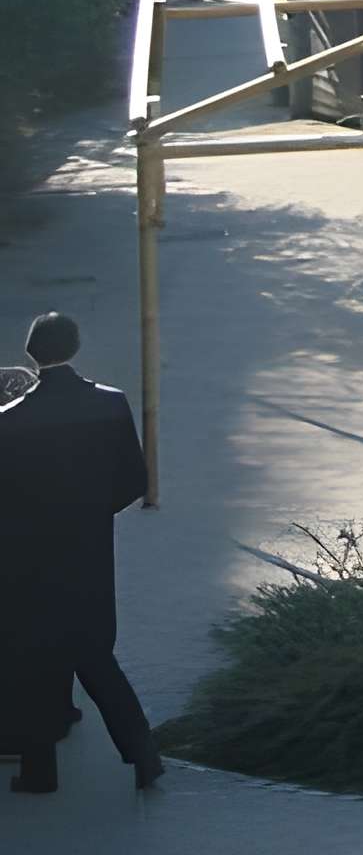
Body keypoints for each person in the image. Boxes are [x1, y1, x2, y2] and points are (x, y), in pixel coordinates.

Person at [0, 314, 163, 795]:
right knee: (94, 656)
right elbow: (135, 479)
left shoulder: (10, 421)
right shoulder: (110, 404)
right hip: (90, 555)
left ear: (31, 354)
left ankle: (38, 773)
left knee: (33, 660)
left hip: (26, 561)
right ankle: (143, 755)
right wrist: (91, 513)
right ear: (75, 345)